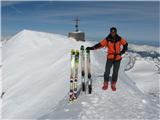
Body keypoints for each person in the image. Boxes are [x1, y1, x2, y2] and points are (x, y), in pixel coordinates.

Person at [86, 27, 128, 91]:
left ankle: (113, 83)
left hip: (117, 58)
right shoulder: (107, 39)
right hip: (110, 57)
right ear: (110, 32)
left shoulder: (119, 38)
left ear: (116, 32)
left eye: (114, 32)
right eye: (112, 32)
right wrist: (92, 48)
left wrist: (122, 52)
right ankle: (106, 83)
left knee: (115, 72)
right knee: (107, 71)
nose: (113, 33)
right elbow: (100, 45)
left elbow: (125, 44)